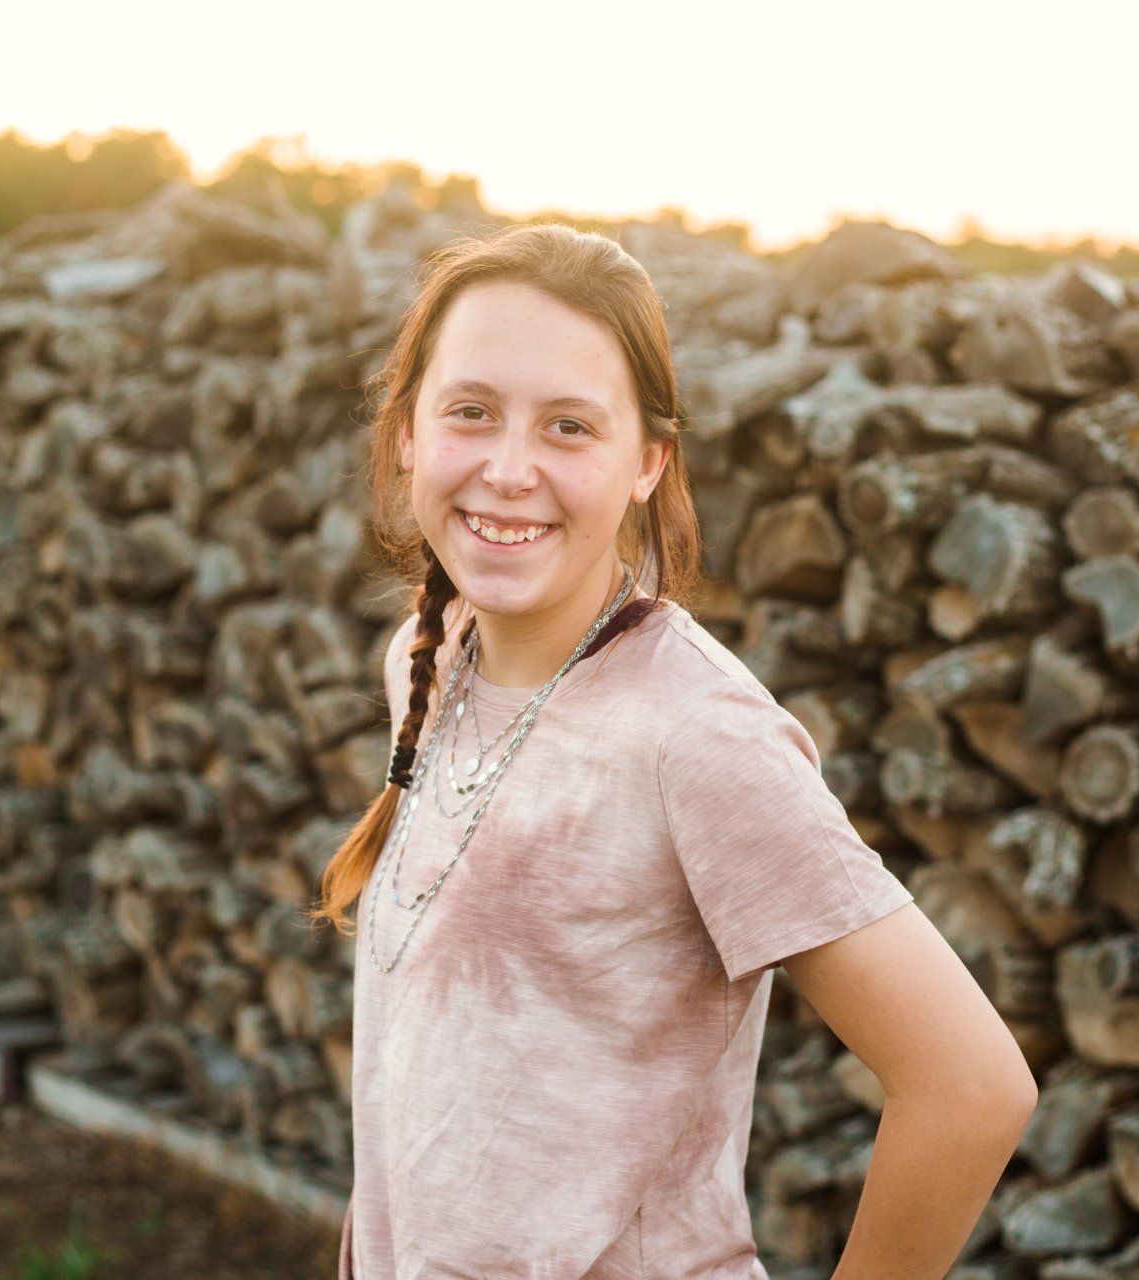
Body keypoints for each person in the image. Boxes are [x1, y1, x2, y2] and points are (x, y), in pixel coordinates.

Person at [308, 223, 1038, 1279]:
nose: (510, 470)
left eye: (569, 426)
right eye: (471, 411)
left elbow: (970, 1085)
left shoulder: (695, 731)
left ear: (648, 460)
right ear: (409, 429)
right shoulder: (432, 659)